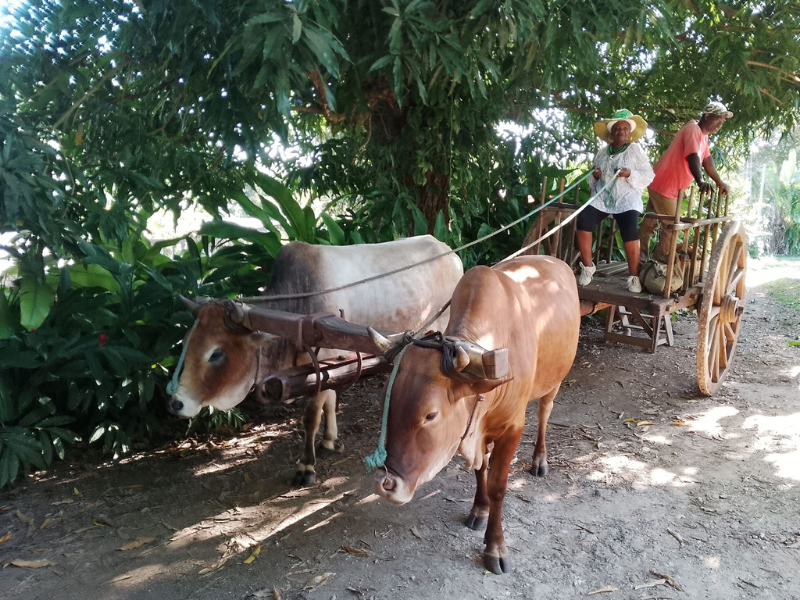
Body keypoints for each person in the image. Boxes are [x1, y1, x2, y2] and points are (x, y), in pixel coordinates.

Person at [639, 101, 733, 264]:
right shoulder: (692, 130)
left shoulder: (703, 136)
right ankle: (660, 262)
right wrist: (700, 181)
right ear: (707, 116)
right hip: (665, 185)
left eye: (723, 121)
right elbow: (693, 157)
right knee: (671, 227)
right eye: (719, 119)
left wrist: (719, 181)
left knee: (649, 225)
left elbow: (706, 159)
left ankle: (640, 260)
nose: (721, 124)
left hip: (662, 183)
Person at [577, 109, 655, 293]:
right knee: (583, 220)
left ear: (629, 132)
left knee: (630, 230)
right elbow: (594, 178)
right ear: (612, 132)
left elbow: (648, 174)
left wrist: (629, 174)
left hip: (626, 198)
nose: (621, 131)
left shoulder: (634, 150)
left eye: (625, 129)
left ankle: (633, 276)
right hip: (603, 199)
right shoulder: (602, 153)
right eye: (617, 128)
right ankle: (588, 267)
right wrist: (595, 175)